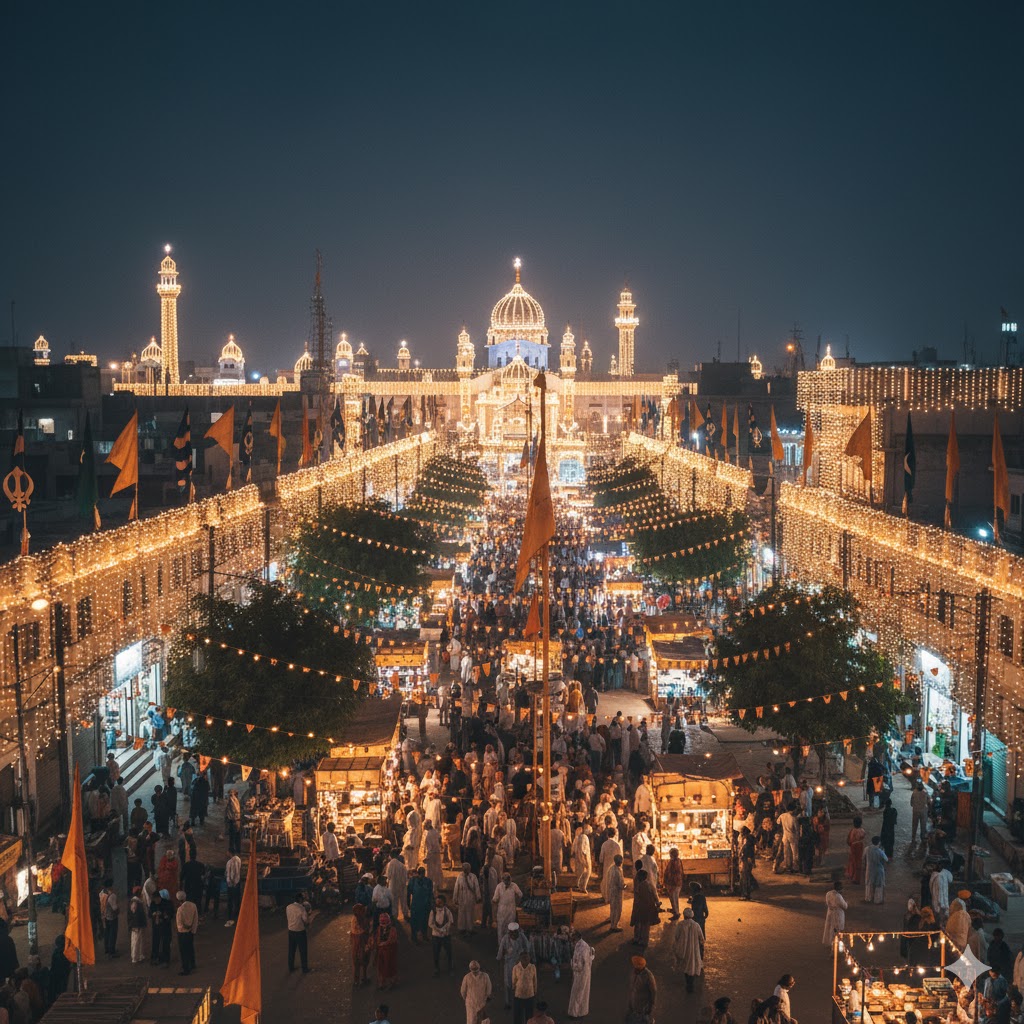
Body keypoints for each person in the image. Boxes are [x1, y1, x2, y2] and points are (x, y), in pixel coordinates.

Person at [498, 922, 532, 1009]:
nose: (513, 934)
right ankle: (508, 1002)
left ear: (517, 931)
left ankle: (520, 1000)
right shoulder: (505, 939)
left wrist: (525, 955)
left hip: (519, 964)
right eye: (511, 932)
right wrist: (501, 956)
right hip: (509, 964)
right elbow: (500, 952)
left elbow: (528, 947)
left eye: (515, 932)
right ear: (509, 932)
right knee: (508, 983)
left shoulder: (522, 937)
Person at [671, 907, 704, 993]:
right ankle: (691, 984)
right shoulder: (696, 925)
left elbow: (676, 936)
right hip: (694, 949)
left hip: (684, 949)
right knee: (692, 966)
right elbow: (701, 938)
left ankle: (688, 983)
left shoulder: (681, 925)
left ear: (684, 915)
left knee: (685, 965)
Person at [631, 868, 660, 948]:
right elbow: (655, 895)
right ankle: (644, 941)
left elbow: (637, 899)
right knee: (645, 925)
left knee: (638, 924)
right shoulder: (650, 885)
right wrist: (657, 903)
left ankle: (637, 939)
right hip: (648, 908)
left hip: (640, 908)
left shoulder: (639, 886)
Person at [567, 934, 594, 1018]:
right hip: (586, 973)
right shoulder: (585, 945)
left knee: (576, 993)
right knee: (583, 993)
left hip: (580, 974)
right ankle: (582, 1011)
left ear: (575, 939)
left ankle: (574, 1014)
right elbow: (590, 958)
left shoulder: (580, 948)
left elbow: (578, 966)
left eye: (572, 940)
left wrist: (572, 963)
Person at [492, 873, 523, 945]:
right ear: (503, 880)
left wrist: (517, 902)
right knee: (501, 927)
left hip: (511, 909)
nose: (507, 883)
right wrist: (493, 903)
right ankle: (501, 945)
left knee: (510, 926)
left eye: (508, 881)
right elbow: (495, 898)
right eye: (505, 881)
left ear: (510, 880)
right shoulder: (499, 886)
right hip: (502, 910)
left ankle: (510, 944)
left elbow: (520, 894)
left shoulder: (514, 885)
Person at [429, 894, 455, 977]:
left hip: (446, 935)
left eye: (440, 902)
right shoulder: (433, 911)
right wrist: (438, 930)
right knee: (436, 953)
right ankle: (436, 968)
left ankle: (450, 968)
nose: (438, 904)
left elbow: (450, 921)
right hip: (435, 936)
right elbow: (430, 923)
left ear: (444, 903)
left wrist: (444, 929)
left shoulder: (447, 911)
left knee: (449, 952)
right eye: (437, 902)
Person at [453, 862, 482, 936]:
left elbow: (476, 887)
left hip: (470, 897)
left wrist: (478, 897)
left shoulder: (473, 876)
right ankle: (462, 928)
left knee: (470, 913)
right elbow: (456, 887)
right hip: (461, 897)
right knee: (461, 913)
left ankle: (469, 929)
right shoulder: (460, 876)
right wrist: (455, 898)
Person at [175, 889, 199, 975]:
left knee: (183, 951)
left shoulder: (180, 910)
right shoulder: (193, 906)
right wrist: (193, 930)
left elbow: (180, 923)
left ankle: (186, 969)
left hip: (182, 933)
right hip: (191, 932)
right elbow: (196, 919)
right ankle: (192, 964)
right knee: (190, 948)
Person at [286, 892, 310, 973]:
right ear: (300, 899)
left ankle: (291, 967)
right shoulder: (301, 908)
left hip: (291, 931)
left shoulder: (288, 907)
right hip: (300, 931)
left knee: (291, 950)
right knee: (303, 950)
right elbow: (306, 921)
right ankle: (304, 968)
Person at [372, 913, 398, 990]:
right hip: (381, 951)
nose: (383, 925)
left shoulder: (393, 929)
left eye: (384, 923)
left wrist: (384, 943)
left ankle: (390, 982)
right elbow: (377, 938)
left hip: (389, 951)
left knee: (389, 966)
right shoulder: (379, 929)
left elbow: (393, 940)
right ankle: (382, 982)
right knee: (381, 966)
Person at [629, 955, 657, 1024]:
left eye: (636, 966)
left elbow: (653, 992)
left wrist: (651, 1006)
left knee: (645, 1020)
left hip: (644, 1006)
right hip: (635, 1003)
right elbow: (632, 987)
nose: (634, 967)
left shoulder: (648, 976)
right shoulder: (634, 972)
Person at [408, 867, 433, 943]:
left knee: (425, 920)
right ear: (418, 873)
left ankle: (424, 935)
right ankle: (414, 936)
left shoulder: (428, 881)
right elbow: (409, 892)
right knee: (414, 921)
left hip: (425, 904)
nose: (422, 875)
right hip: (416, 904)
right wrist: (408, 903)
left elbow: (430, 893)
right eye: (421, 873)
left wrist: (431, 903)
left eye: (423, 873)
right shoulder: (413, 880)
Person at [512, 949, 538, 1024]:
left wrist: (535, 990)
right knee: (517, 1015)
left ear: (529, 958)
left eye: (527, 958)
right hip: (518, 995)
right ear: (520, 959)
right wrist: (514, 989)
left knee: (529, 1015)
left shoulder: (532, 967)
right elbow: (514, 981)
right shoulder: (516, 968)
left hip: (530, 994)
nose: (526, 959)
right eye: (524, 958)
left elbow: (535, 980)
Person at [149, 889, 173, 966]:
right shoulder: (153, 904)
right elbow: (149, 914)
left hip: (165, 927)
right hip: (156, 927)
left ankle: (165, 960)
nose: (155, 901)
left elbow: (170, 914)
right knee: (155, 942)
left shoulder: (167, 903)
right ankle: (155, 958)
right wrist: (153, 914)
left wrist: (162, 914)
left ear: (158, 898)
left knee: (165, 943)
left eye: (156, 899)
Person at [823, 880, 848, 948]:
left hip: (830, 913)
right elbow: (845, 906)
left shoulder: (828, 893)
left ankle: (830, 942)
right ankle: (835, 945)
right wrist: (846, 902)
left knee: (830, 927)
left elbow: (827, 903)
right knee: (837, 929)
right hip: (838, 915)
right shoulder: (838, 896)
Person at [863, 836, 888, 904]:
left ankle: (868, 898)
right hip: (879, 870)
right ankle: (877, 900)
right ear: (879, 843)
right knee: (878, 885)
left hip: (869, 869)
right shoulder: (880, 851)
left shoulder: (867, 849)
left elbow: (863, 857)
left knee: (868, 883)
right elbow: (886, 859)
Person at [350, 903, 370, 987]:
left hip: (355, 943)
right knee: (364, 960)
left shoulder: (353, 919)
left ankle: (356, 980)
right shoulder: (362, 920)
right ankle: (364, 977)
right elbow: (366, 930)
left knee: (356, 962)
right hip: (362, 942)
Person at [99, 879, 120, 957]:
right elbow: (115, 908)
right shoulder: (112, 896)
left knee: (106, 933)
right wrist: (118, 911)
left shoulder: (101, 893)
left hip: (104, 916)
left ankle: (107, 949)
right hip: (112, 917)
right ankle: (112, 951)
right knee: (112, 934)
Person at [127, 887, 147, 963]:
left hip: (139, 924)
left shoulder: (138, 901)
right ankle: (135, 957)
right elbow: (134, 915)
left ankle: (140, 955)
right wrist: (134, 925)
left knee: (140, 940)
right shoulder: (135, 902)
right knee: (135, 941)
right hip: (136, 925)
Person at [607, 854, 626, 932]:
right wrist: (625, 886)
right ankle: (614, 925)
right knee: (618, 909)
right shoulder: (618, 871)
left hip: (611, 890)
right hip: (617, 892)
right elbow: (620, 884)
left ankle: (612, 922)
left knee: (612, 908)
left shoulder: (611, 868)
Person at [663, 847, 684, 918]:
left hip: (673, 883)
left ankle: (676, 913)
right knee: (675, 898)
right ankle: (675, 910)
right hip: (678, 882)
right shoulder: (679, 861)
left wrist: (667, 883)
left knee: (673, 898)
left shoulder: (672, 862)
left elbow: (670, 873)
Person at [846, 816, 866, 885]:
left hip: (853, 846)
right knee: (858, 862)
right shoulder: (863, 831)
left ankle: (852, 876)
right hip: (860, 846)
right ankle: (857, 878)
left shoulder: (852, 831)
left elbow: (849, 840)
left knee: (852, 861)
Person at [224, 852, 241, 927]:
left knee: (230, 901)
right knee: (236, 900)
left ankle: (230, 917)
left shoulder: (230, 862)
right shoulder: (238, 859)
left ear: (229, 852)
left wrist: (232, 881)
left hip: (231, 884)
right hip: (236, 883)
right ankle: (237, 916)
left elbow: (233, 873)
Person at [910, 780, 930, 844]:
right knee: (923, 825)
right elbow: (929, 801)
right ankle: (922, 838)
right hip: (923, 811)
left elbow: (911, 803)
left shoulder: (914, 792)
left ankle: (913, 839)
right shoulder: (925, 792)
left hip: (915, 811)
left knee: (914, 825)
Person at [225, 789, 242, 855]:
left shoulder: (232, 800)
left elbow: (232, 810)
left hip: (233, 820)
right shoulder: (236, 800)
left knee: (232, 836)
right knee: (237, 836)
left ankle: (232, 850)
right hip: (237, 820)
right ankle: (238, 850)